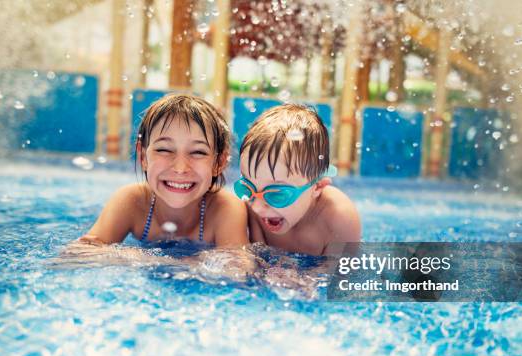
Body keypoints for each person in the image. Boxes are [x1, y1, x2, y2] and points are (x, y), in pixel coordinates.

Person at [80, 94, 248, 247]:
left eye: (198, 152)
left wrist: (139, 259)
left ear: (219, 162)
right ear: (143, 156)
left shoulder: (225, 209)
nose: (180, 168)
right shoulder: (131, 202)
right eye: (164, 150)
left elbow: (237, 269)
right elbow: (81, 252)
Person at [235, 104, 361, 256]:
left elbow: (340, 274)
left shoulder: (339, 219)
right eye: (247, 188)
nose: (257, 208)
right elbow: (256, 258)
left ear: (317, 186)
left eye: (277, 194)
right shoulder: (250, 205)